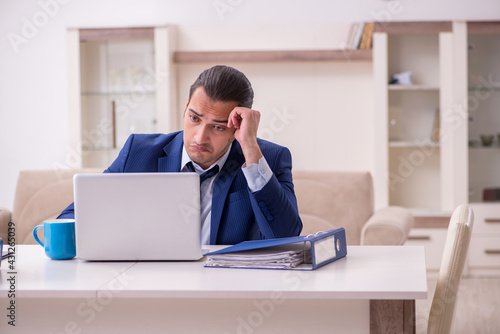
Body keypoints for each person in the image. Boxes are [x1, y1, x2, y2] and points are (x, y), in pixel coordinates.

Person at [58, 65, 302, 245]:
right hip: (147, 287)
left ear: (237, 126)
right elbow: (73, 215)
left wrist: (250, 147)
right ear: (186, 107)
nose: (199, 137)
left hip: (226, 295)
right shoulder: (140, 152)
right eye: (194, 118)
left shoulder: (265, 159)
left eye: (218, 127)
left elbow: (286, 236)